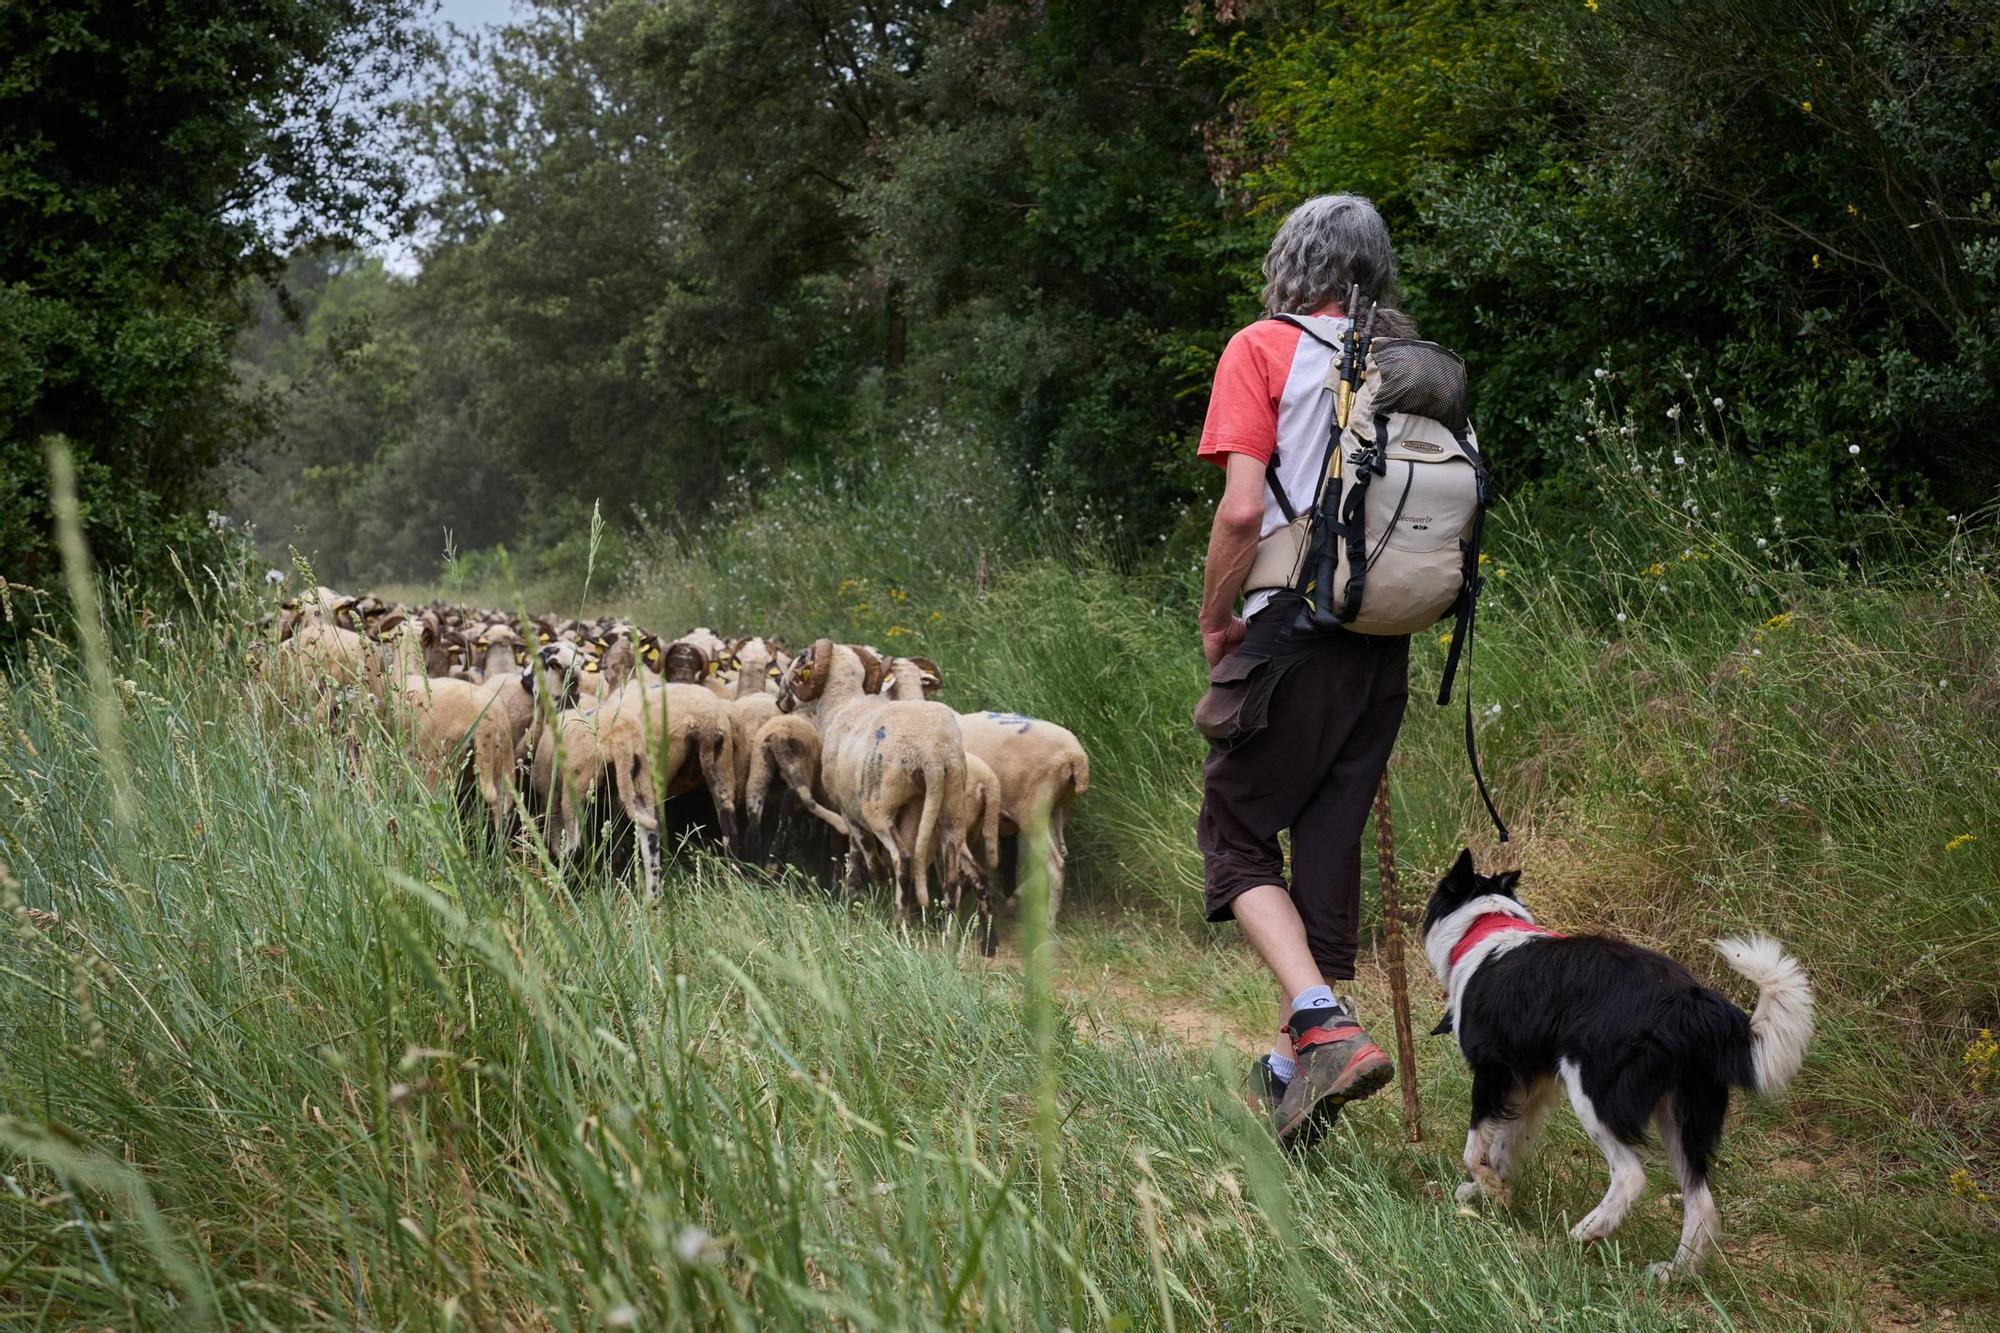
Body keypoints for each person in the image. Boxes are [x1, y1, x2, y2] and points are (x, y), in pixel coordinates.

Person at [1194, 194, 1410, 1147]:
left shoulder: (1262, 348)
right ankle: (1296, 1076)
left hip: (1294, 623)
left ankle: (1320, 1023)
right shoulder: (1405, 362)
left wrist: (1216, 618)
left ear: (1292, 263)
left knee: (1236, 832)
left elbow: (1244, 510)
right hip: (1385, 636)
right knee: (1326, 841)